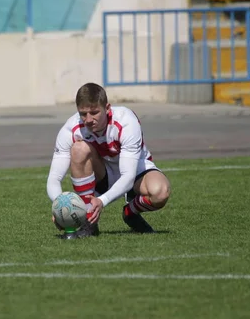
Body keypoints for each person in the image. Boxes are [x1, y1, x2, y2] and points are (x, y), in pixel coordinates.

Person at [46, 82, 171, 239]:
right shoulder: (71, 128)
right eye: (83, 114)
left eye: (94, 112)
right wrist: (60, 206)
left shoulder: (126, 120)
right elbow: (54, 178)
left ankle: (130, 213)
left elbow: (128, 176)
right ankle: (88, 223)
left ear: (107, 108)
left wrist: (102, 201)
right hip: (102, 173)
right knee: (79, 149)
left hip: (135, 170)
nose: (88, 119)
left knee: (161, 192)